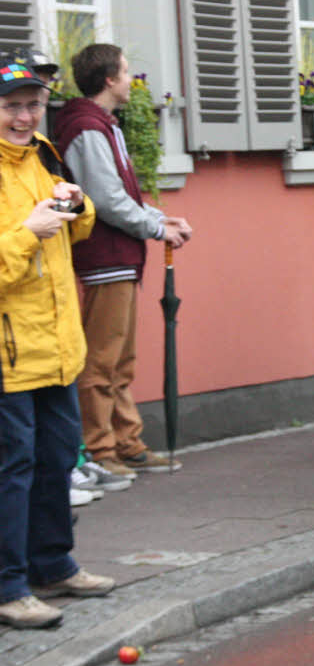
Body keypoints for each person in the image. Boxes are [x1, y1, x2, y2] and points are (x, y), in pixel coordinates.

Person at [0, 57, 114, 629]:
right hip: (9, 353)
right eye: (12, 106)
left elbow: (82, 227)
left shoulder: (44, 152)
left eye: (33, 104)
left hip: (58, 342)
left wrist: (76, 205)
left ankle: (52, 563)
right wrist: (26, 233)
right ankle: (8, 586)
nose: (24, 116)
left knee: (54, 463)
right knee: (11, 470)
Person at [52, 44, 192, 479]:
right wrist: (155, 228)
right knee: (101, 361)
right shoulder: (86, 128)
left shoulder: (101, 125)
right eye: (127, 72)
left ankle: (126, 442)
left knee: (120, 359)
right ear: (109, 80)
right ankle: (100, 448)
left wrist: (158, 218)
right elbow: (106, 200)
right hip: (104, 257)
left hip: (119, 257)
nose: (132, 80)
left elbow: (122, 196)